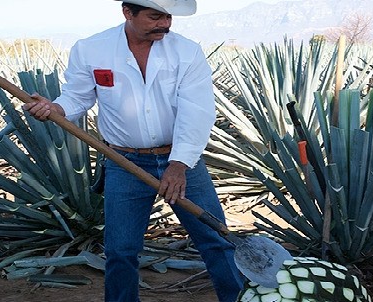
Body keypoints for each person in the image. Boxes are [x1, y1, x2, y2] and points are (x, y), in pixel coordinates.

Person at [22, 0, 244, 301]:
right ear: (128, 12)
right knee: (121, 250)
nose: (164, 24)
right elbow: (77, 97)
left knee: (216, 240)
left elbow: (197, 111)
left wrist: (178, 165)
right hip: (123, 161)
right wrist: (55, 108)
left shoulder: (187, 52)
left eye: (167, 17)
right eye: (155, 17)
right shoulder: (92, 49)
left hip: (181, 159)